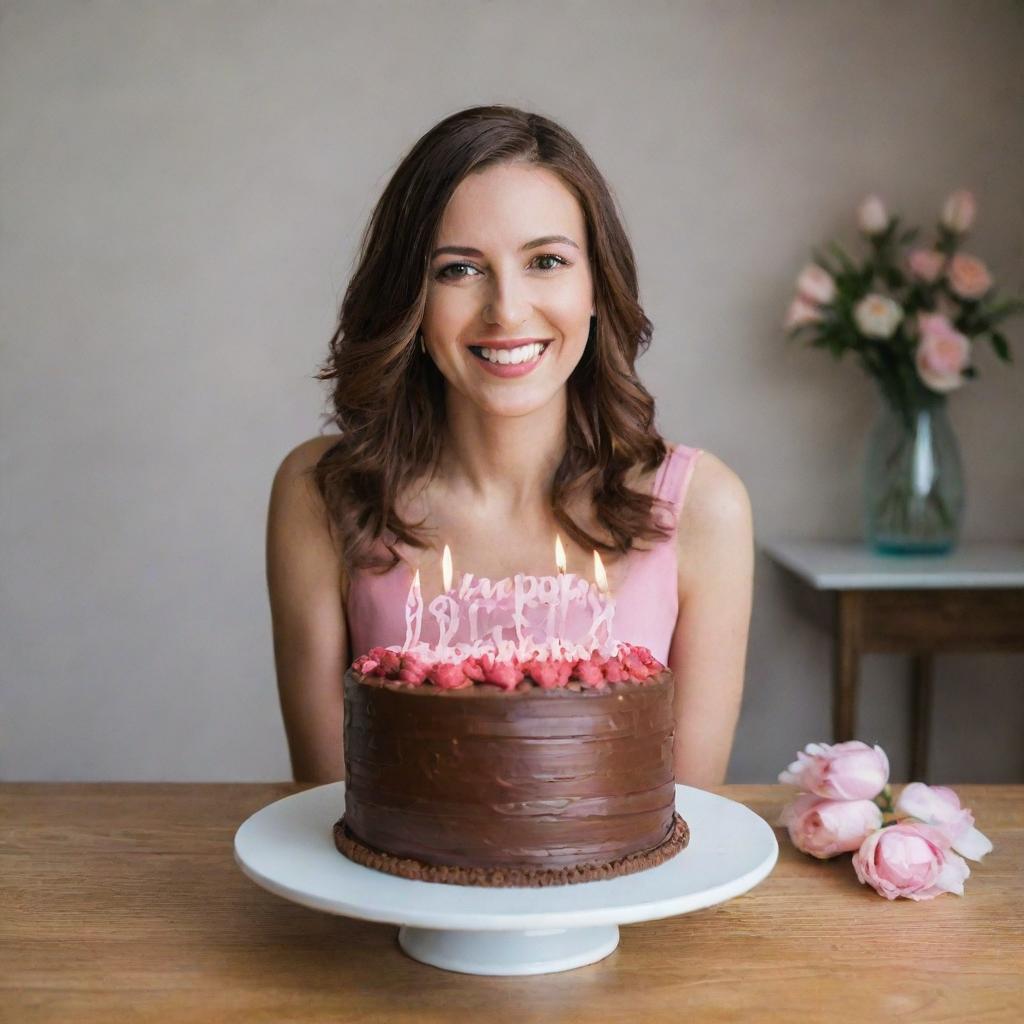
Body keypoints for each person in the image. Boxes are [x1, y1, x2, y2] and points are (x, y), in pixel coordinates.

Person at [266, 105, 754, 788]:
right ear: (409, 296)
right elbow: (326, 801)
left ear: (595, 286)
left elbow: (687, 815)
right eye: (459, 270)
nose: (507, 310)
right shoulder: (322, 494)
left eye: (547, 261)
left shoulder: (704, 508)